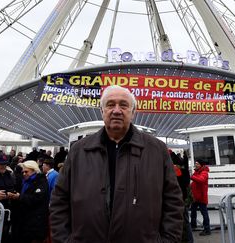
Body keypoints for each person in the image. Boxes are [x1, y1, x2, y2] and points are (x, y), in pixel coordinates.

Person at [49, 85, 184, 243]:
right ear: (102, 111)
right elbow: (59, 200)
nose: (117, 110)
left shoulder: (156, 150)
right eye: (110, 104)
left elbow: (173, 201)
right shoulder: (79, 151)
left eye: (124, 105)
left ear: (133, 112)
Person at [8, 161, 49, 243]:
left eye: (26, 172)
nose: (24, 174)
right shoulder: (24, 181)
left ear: (34, 170)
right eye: (23, 172)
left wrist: (19, 197)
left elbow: (36, 199)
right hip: (24, 221)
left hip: (35, 223)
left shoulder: (41, 182)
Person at [190, 159, 211, 236]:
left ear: (201, 165)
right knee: (193, 212)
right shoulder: (196, 172)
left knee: (204, 214)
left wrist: (191, 177)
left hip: (201, 197)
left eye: (197, 164)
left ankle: (207, 229)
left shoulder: (204, 173)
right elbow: (194, 184)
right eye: (195, 163)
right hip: (195, 197)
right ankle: (193, 226)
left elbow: (201, 180)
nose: (196, 165)